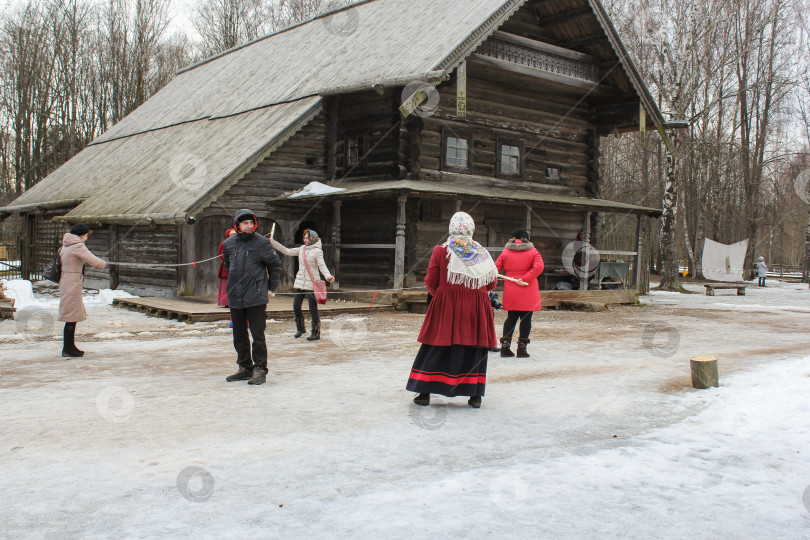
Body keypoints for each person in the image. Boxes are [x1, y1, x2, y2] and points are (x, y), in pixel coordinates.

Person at [406, 212, 498, 409]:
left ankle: (424, 393)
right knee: (473, 346)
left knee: (437, 345)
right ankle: (474, 396)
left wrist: (442, 295)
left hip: (447, 305)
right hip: (476, 308)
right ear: (471, 229)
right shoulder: (481, 252)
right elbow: (492, 282)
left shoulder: (441, 251)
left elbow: (431, 281)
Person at [222, 209, 282, 385]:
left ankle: (260, 369)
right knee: (238, 334)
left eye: (251, 222)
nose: (249, 226)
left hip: (256, 296)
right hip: (235, 296)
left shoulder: (262, 243)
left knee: (257, 334)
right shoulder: (229, 244)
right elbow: (227, 265)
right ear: (238, 225)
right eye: (245, 223)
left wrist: (270, 287)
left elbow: (275, 265)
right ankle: (245, 367)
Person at [270, 228, 334, 341]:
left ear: (313, 239)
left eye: (307, 238)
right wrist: (274, 243)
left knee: (312, 308)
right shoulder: (302, 249)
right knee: (296, 306)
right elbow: (287, 251)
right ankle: (300, 328)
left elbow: (322, 266)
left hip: (312, 283)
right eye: (304, 238)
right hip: (300, 282)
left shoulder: (318, 251)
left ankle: (316, 332)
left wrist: (328, 276)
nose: (305, 240)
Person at [494, 229, 544, 358]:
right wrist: (526, 278)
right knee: (526, 319)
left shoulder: (505, 252)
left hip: (511, 288)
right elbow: (538, 267)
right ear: (526, 239)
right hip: (528, 288)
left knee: (511, 318)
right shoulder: (533, 252)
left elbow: (495, 269)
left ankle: (505, 348)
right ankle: (521, 350)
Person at [58, 223, 106, 357]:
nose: (86, 239)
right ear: (82, 235)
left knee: (71, 314)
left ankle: (70, 346)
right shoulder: (77, 246)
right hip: (72, 281)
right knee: (71, 315)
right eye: (86, 235)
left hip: (66, 280)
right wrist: (103, 263)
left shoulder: (66, 245)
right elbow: (95, 262)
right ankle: (67, 348)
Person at [217, 228, 237, 307]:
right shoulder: (225, 243)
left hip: (236, 266)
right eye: (232, 235)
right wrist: (229, 262)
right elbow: (221, 253)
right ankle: (226, 302)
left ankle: (233, 301)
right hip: (227, 266)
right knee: (226, 284)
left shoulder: (237, 242)